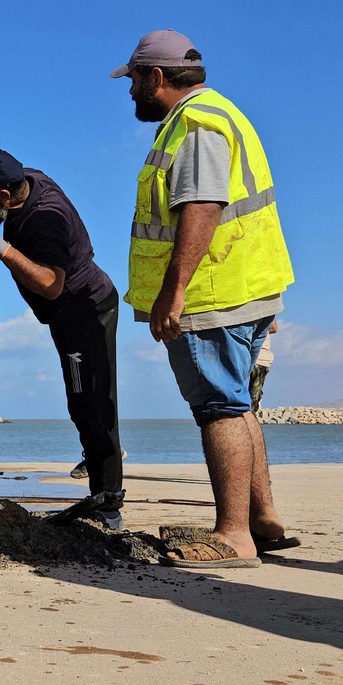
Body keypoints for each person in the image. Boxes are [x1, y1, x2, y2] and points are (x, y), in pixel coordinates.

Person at [111, 29, 298, 568]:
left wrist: (174, 292)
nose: (130, 94)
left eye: (134, 82)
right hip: (247, 285)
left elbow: (202, 207)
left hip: (212, 292)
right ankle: (261, 519)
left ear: (157, 78)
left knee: (219, 408)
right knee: (238, 404)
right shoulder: (221, 114)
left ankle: (234, 535)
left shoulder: (195, 125)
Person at [0, 149, 125, 527]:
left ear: (6, 197)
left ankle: (109, 502)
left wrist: (0, 247)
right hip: (68, 310)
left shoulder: (47, 219)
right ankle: (103, 473)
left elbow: (50, 284)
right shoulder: (23, 178)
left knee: (89, 401)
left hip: (83, 309)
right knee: (84, 403)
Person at [249, 320, 277, 413]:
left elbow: (273, 328)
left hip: (253, 359)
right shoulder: (267, 308)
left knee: (241, 402)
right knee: (252, 403)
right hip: (261, 360)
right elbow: (273, 328)